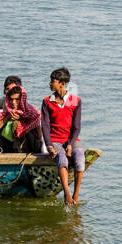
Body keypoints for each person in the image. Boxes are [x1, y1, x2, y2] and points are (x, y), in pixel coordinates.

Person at [41, 67, 84, 205]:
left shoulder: (75, 101)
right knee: (62, 159)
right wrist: (49, 145)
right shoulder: (47, 101)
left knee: (79, 158)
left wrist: (71, 144)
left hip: (71, 139)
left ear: (62, 83)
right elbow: (45, 126)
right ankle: (67, 194)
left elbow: (76, 127)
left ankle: (75, 195)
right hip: (55, 140)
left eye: (52, 81)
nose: (49, 84)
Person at [0, 78, 43, 153]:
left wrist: (21, 120)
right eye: (11, 99)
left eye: (17, 99)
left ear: (22, 100)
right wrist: (7, 118)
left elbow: (39, 136)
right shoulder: (7, 113)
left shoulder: (32, 112)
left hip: (27, 148)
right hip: (7, 147)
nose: (13, 102)